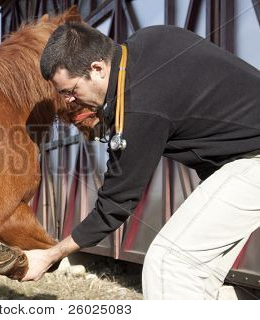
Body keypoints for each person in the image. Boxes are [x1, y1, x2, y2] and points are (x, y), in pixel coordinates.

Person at [21, 21, 260, 299]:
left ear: (97, 68)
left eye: (71, 91)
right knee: (196, 279)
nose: (71, 101)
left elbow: (115, 203)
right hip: (243, 157)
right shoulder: (148, 41)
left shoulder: (141, 105)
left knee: (168, 266)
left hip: (253, 159)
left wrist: (52, 254)